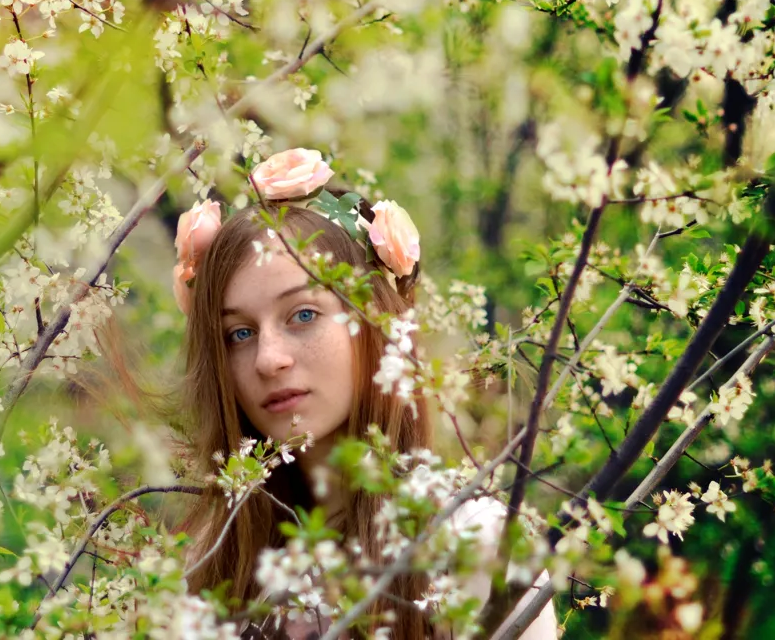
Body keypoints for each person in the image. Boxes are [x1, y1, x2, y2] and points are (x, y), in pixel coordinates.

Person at [170, 148, 557, 639]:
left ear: (377, 318)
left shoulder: (473, 546)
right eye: (239, 334)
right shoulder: (210, 562)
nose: (269, 359)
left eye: (303, 315)